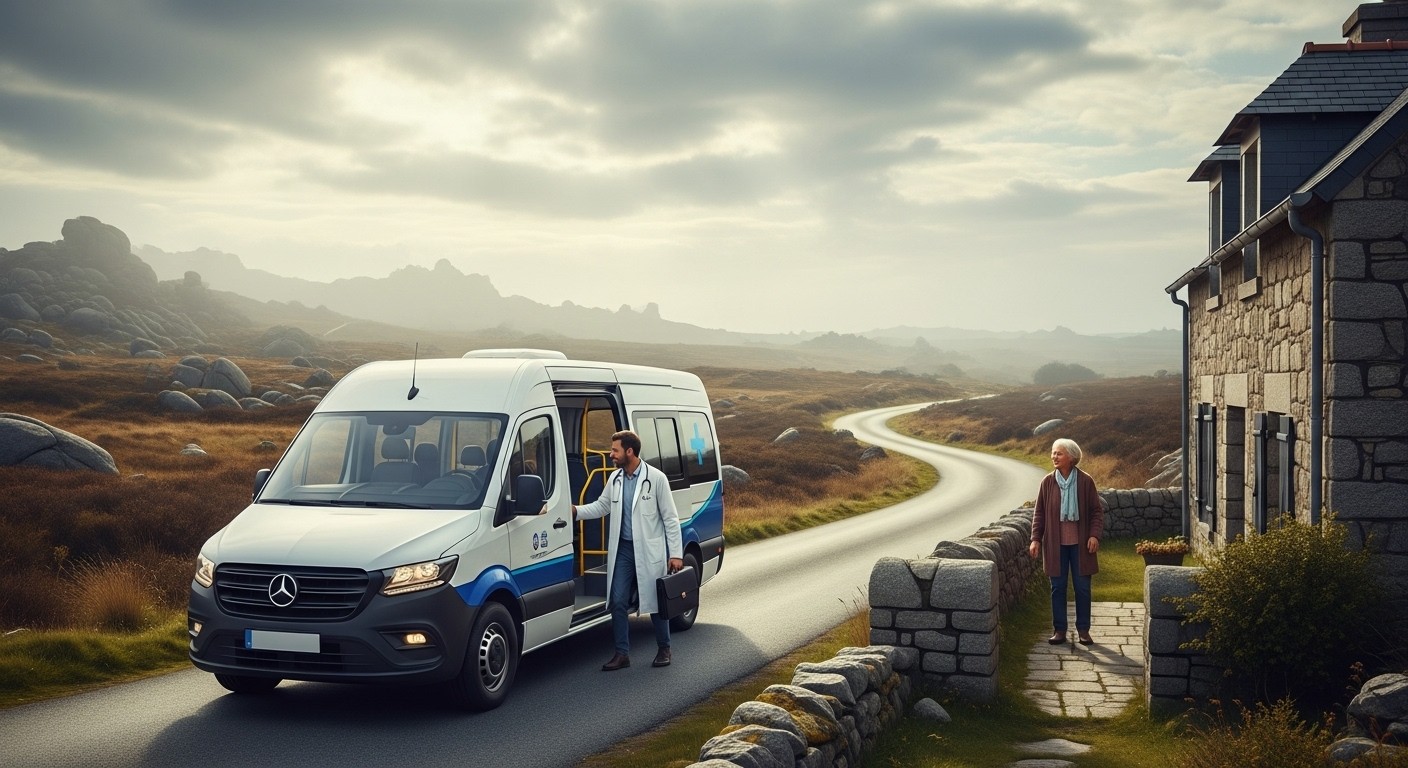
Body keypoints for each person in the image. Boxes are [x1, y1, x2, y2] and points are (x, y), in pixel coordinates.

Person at [573, 430, 684, 671]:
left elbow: (670, 519)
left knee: (655, 600)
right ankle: (622, 654)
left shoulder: (656, 479)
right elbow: (602, 506)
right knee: (618, 600)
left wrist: (675, 554)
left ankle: (664, 648)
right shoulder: (615, 479)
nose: (610, 454)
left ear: (629, 451)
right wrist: (575, 511)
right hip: (623, 549)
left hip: (648, 550)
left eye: (615, 450)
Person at [1027, 438, 1105, 646]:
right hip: (1055, 545)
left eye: (1059, 453)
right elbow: (1039, 514)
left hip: (1081, 545)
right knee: (1058, 588)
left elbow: (1096, 512)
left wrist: (1094, 535)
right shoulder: (1047, 482)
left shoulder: (1085, 481)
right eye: (1053, 453)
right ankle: (1059, 630)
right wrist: (1035, 539)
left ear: (1071, 457)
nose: (1054, 457)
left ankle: (1083, 630)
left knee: (1082, 588)